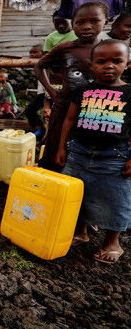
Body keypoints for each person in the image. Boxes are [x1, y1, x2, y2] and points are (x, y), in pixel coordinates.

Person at [56, 39, 131, 263]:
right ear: (91, 65)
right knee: (77, 195)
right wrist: (62, 146)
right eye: (102, 61)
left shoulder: (129, 93)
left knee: (115, 199)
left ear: (127, 64)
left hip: (114, 157)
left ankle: (112, 242)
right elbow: (69, 119)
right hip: (78, 152)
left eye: (116, 61)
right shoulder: (83, 90)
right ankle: (80, 232)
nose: (109, 65)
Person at [35, 1, 109, 170]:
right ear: (73, 24)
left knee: (87, 148)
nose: (87, 26)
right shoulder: (64, 48)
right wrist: (52, 91)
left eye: (94, 21)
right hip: (65, 106)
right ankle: (51, 182)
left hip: (96, 109)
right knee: (54, 146)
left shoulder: (109, 49)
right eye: (80, 22)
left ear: (106, 22)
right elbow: (39, 66)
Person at [26, 45, 46, 137]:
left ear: (42, 52)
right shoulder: (37, 64)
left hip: (48, 92)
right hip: (42, 92)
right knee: (30, 110)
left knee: (30, 109)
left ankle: (41, 130)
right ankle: (40, 129)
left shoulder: (47, 62)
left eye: (35, 52)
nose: (32, 55)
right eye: (31, 53)